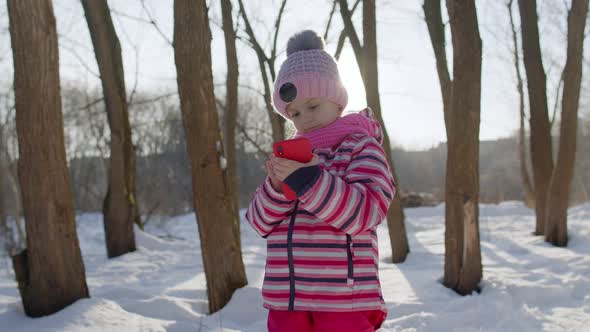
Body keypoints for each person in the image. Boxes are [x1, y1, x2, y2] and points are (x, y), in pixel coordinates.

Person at [245, 30, 396, 332]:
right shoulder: (291, 158)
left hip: (344, 299)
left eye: (313, 106)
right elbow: (259, 223)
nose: (305, 119)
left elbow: (366, 212)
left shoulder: (360, 146)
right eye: (295, 113)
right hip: (287, 298)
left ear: (337, 101)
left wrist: (312, 181)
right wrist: (277, 188)